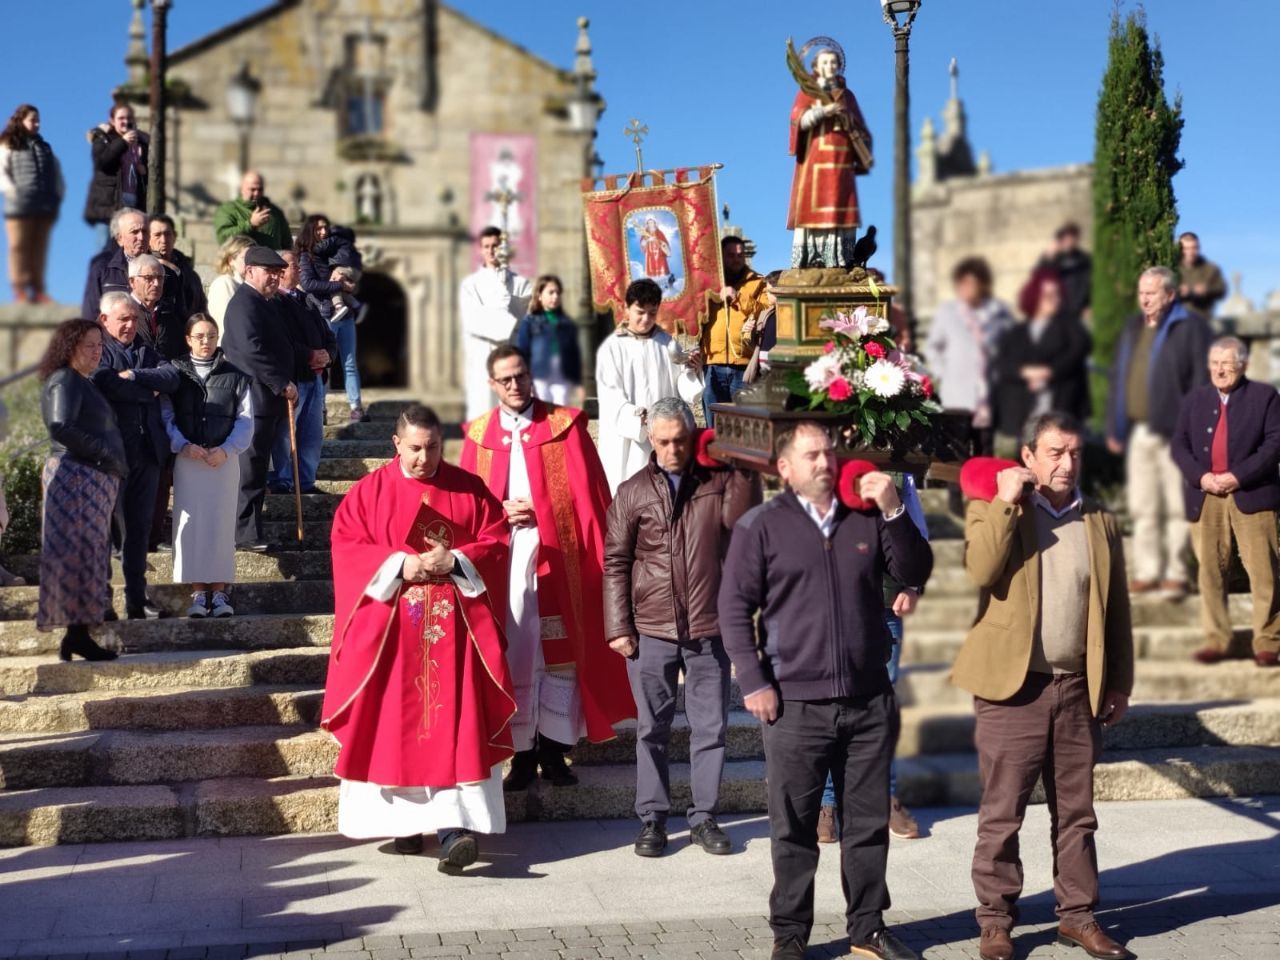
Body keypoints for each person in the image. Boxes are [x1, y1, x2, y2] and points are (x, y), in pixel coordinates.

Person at [719, 422, 933, 960]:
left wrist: (893, 510)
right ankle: (789, 936)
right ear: (784, 468)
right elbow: (733, 608)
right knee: (792, 828)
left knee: (866, 825)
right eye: (811, 454)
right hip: (794, 706)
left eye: (830, 452)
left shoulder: (866, 516)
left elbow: (915, 569)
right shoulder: (760, 527)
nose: (825, 461)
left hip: (867, 698)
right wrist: (754, 680)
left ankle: (868, 929)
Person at [950, 412, 1134, 960]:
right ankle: (995, 921)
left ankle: (1077, 916)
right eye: (1054, 452)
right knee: (1002, 813)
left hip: (1079, 688)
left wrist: (1119, 681)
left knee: (1077, 814)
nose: (1066, 463)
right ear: (1027, 455)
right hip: (1015, 690)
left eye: (1074, 453)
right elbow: (981, 571)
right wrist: (1007, 501)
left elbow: (1116, 609)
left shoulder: (1099, 519)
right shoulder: (995, 508)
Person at [321, 403, 516, 872]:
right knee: (396, 729)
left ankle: (453, 829)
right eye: (414, 449)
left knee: (454, 725)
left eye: (432, 448)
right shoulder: (368, 494)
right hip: (392, 639)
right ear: (395, 444)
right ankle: (405, 826)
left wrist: (460, 560)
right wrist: (401, 564)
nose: (423, 459)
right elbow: (347, 547)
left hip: (457, 634)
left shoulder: (468, 489)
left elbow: (496, 539)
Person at [460, 345, 635, 789]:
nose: (515, 385)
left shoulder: (565, 426)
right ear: (492, 384)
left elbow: (591, 497)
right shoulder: (478, 435)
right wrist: (500, 511)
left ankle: (556, 753)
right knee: (515, 654)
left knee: (560, 657)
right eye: (506, 379)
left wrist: (542, 510)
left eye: (521, 376)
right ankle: (520, 757)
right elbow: (466, 507)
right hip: (505, 558)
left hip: (559, 555)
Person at [604, 397, 761, 857]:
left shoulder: (720, 480)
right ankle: (652, 819)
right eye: (664, 441)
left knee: (710, 727)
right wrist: (618, 625)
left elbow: (745, 523)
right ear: (650, 440)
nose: (674, 449)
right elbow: (615, 561)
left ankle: (704, 816)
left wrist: (744, 466)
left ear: (694, 437)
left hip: (709, 626)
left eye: (681, 440)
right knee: (652, 728)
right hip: (650, 628)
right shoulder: (632, 491)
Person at [1171, 337, 1280, 667]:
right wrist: (1201, 477)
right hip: (1205, 496)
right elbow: (1179, 444)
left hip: (1251, 493)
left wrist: (1238, 476)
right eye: (1214, 363)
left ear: (1243, 365)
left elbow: (1275, 443)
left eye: (1227, 363)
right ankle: (1217, 640)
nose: (1219, 369)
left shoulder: (1266, 397)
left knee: (1264, 573)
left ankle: (1268, 642)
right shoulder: (1195, 399)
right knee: (1210, 573)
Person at [1106, 265, 1212, 599]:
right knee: (1142, 505)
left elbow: (1201, 380)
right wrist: (1114, 425)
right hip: (1139, 431)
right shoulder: (1133, 327)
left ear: (1170, 294)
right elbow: (1118, 379)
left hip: (1175, 433)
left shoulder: (1191, 328)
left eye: (1151, 293)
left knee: (1177, 505)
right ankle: (1149, 571)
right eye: (1141, 293)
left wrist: (1193, 428)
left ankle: (1176, 574)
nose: (1145, 299)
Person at [37, 319, 127, 661]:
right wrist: (104, 455)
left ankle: (77, 635)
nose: (96, 351)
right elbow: (60, 426)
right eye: (88, 345)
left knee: (88, 556)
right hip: (76, 476)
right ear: (70, 346)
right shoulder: (65, 379)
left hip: (90, 477)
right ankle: (76, 635)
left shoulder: (83, 382)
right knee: (78, 555)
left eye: (99, 345)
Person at [92, 291, 179, 620]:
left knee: (140, 529)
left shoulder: (146, 352)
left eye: (134, 319)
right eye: (123, 319)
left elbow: (172, 378)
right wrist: (147, 392)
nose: (130, 325)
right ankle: (101, 599)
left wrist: (138, 377)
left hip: (148, 453)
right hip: (113, 455)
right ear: (105, 321)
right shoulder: (99, 352)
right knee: (109, 530)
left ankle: (136, 598)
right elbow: (106, 385)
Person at [160, 315, 253, 618]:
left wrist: (226, 450)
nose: (206, 342)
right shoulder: (174, 374)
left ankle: (221, 593)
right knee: (191, 526)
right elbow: (167, 416)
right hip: (189, 460)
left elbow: (245, 419)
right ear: (188, 339)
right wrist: (183, 445)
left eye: (211, 336)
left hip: (222, 461)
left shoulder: (235, 376)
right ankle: (199, 593)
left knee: (221, 524)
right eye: (199, 336)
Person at [220, 246, 297, 552]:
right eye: (269, 272)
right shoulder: (244, 303)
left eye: (279, 273)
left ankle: (251, 530)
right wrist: (281, 383)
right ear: (249, 271)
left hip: (267, 400)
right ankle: (244, 533)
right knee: (250, 468)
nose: (275, 278)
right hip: (255, 397)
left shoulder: (264, 303)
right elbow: (252, 351)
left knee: (257, 466)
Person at [596, 278, 703, 493]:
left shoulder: (668, 343)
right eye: (640, 312)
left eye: (652, 313)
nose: (646, 319)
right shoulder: (612, 348)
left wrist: (692, 368)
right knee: (629, 488)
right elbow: (610, 395)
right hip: (630, 436)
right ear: (627, 308)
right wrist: (636, 416)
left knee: (665, 490)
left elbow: (683, 387)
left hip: (663, 434)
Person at [787, 43, 872, 270]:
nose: (830, 66)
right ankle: (812, 256)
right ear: (816, 66)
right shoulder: (807, 92)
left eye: (833, 62)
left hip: (841, 158)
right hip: (815, 156)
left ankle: (838, 257)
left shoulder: (846, 95)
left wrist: (850, 126)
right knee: (813, 204)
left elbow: (860, 127)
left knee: (838, 204)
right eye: (825, 62)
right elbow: (798, 121)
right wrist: (823, 111)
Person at [992, 268, 1092, 455]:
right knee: (1030, 456)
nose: (1054, 299)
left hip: (1060, 402)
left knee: (1060, 455)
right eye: (1048, 295)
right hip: (1025, 408)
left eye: (1057, 294)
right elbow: (1002, 363)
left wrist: (1050, 371)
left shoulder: (1069, 325)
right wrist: (1025, 373)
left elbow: (1078, 350)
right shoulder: (1019, 331)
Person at [924, 257, 1015, 458]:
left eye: (970, 283)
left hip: (988, 394)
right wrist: (943, 372)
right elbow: (933, 347)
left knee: (985, 447)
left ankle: (984, 489)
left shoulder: (999, 312)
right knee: (956, 449)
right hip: (957, 392)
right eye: (961, 283)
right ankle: (956, 490)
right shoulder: (948, 312)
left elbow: (1013, 347)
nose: (964, 288)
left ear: (983, 284)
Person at [272, 249, 336, 494]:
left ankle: (306, 480)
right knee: (286, 435)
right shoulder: (274, 301)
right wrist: (309, 354)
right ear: (279, 271)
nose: (298, 269)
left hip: (316, 377)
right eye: (292, 265)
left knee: (311, 435)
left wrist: (327, 355)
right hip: (295, 376)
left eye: (298, 265)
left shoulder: (306, 299)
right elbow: (282, 340)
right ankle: (283, 480)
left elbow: (328, 335)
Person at [295, 214, 364, 421]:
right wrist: (339, 286)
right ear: (310, 231)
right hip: (325, 315)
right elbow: (309, 285)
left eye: (326, 228)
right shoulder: (306, 257)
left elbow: (351, 280)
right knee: (324, 362)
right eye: (318, 229)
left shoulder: (335, 251)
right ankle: (321, 409)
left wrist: (349, 285)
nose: (324, 232)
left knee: (350, 362)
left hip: (346, 316)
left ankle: (356, 407)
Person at [459, 226, 532, 420]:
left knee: (512, 413)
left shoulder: (521, 283)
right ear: (480, 250)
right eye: (487, 246)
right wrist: (500, 299)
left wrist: (503, 290)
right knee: (483, 414)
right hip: (482, 355)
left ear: (503, 247)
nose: (491, 251)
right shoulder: (470, 284)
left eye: (496, 245)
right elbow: (473, 320)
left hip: (510, 356)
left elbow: (518, 318)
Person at [699, 236, 768, 426]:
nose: (736, 259)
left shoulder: (758, 282)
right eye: (730, 255)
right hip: (712, 364)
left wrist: (738, 297)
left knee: (746, 426)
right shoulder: (706, 284)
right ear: (721, 257)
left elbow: (767, 312)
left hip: (745, 366)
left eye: (740, 255)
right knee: (714, 426)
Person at [0, 104, 63, 303]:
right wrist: (13, 192)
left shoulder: (44, 147)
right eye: (32, 120)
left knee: (39, 248)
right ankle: (20, 289)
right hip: (19, 205)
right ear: (21, 120)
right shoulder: (8, 143)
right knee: (19, 247)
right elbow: (2, 171)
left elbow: (56, 174)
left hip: (44, 206)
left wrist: (56, 195)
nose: (37, 124)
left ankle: (37, 289)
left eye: (38, 120)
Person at [83, 104, 147, 248]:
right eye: (121, 118)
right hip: (109, 210)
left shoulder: (139, 144)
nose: (126, 121)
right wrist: (123, 142)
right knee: (104, 254)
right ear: (112, 121)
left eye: (129, 118)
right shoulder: (103, 139)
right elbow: (102, 163)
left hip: (133, 207)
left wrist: (143, 170)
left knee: (127, 257)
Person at [513, 274, 583, 406]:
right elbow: (523, 352)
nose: (555, 296)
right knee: (543, 408)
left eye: (558, 293)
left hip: (562, 372)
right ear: (539, 295)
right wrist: (526, 380)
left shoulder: (566, 322)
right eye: (551, 292)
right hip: (539, 372)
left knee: (561, 409)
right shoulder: (530, 321)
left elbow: (574, 354)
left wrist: (578, 382)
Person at [81, 207, 147, 323]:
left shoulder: (161, 269)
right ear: (119, 239)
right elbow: (90, 315)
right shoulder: (101, 267)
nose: (141, 237)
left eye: (145, 231)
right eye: (134, 232)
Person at [214, 170, 292, 249]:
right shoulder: (228, 210)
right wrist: (250, 224)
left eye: (260, 189)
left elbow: (287, 243)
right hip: (242, 260)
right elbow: (223, 238)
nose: (256, 193)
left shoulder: (274, 212)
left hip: (272, 260)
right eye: (252, 189)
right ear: (242, 188)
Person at [127, 253, 185, 359]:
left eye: (160, 278)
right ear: (132, 282)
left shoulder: (170, 316)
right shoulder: (120, 314)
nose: (157, 284)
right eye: (149, 278)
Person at [149, 214, 208, 316]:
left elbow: (200, 305)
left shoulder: (187, 268)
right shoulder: (142, 268)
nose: (163, 240)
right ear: (148, 238)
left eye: (167, 234)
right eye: (157, 235)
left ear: (175, 236)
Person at [1035, 223, 1091, 324]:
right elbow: (1039, 279)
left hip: (1079, 312)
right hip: (1057, 313)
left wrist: (1089, 305)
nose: (1069, 241)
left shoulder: (1085, 260)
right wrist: (1048, 257)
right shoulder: (1052, 260)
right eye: (1065, 238)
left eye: (1072, 237)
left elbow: (1091, 284)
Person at [1177, 231, 1227, 321]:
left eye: (1194, 248)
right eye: (1186, 248)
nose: (1191, 252)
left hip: (1202, 320)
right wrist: (1177, 290)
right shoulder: (1173, 269)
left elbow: (1222, 290)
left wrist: (1207, 290)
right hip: (1178, 320)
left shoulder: (1210, 269)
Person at [206, 234, 254, 326]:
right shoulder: (224, 284)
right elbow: (228, 323)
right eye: (246, 258)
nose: (251, 262)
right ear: (231, 260)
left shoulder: (251, 285)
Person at [639, 217, 674, 287]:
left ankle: (664, 283)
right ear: (647, 224)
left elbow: (664, 243)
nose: (650, 224)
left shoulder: (659, 232)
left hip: (659, 254)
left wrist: (657, 240)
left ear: (655, 223)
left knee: (662, 268)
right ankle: (652, 283)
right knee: (651, 269)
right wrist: (648, 240)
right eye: (649, 223)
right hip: (649, 254)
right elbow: (642, 244)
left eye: (652, 222)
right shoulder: (645, 233)